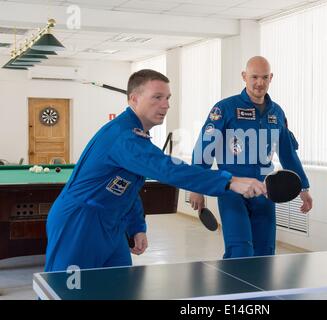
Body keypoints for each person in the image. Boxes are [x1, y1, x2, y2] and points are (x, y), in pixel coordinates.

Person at [44, 69, 267, 272]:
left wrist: (136, 227)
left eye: (168, 98)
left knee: (118, 289)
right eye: (157, 97)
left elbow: (127, 189)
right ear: (134, 99)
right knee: (64, 293)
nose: (165, 105)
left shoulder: (137, 135)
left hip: (113, 222)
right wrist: (228, 181)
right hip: (80, 222)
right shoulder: (124, 136)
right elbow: (168, 169)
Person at [190, 56, 313, 259]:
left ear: (271, 78)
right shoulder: (225, 108)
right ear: (244, 76)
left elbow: (288, 153)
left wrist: (303, 187)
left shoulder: (277, 113)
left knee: (265, 252)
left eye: (264, 77)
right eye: (254, 77)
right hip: (231, 191)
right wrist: (197, 186)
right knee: (240, 250)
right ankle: (234, 291)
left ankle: (261, 291)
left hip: (265, 191)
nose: (259, 83)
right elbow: (204, 148)